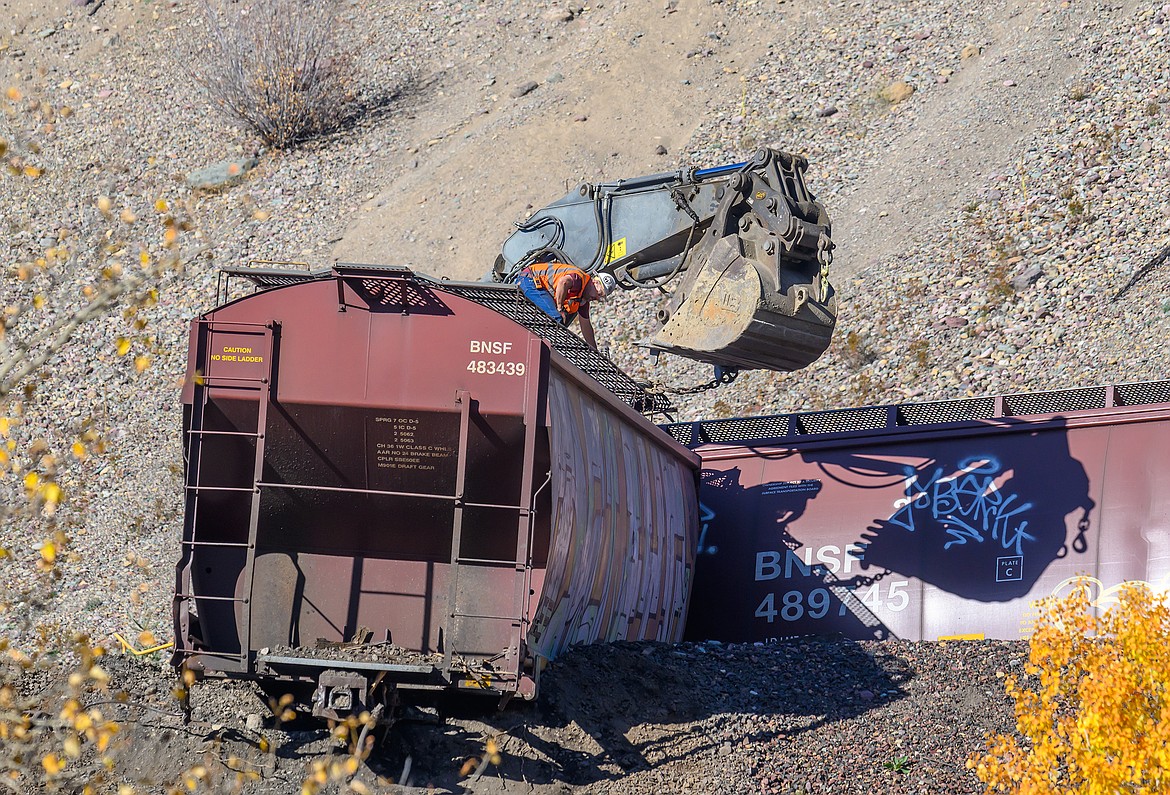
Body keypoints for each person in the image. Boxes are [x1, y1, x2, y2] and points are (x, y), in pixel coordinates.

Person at [517, 258, 616, 351]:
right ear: (595, 282)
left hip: (534, 284)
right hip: (529, 279)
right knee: (555, 318)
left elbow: (586, 326)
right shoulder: (578, 279)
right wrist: (560, 308)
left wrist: (594, 351)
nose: (597, 298)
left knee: (557, 321)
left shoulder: (583, 299)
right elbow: (563, 282)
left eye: (601, 297)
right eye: (599, 294)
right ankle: (538, 349)